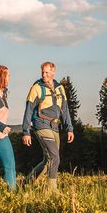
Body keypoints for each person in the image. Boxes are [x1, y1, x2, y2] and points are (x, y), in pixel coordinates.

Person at [22, 61, 74, 191]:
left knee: (48, 160)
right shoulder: (37, 87)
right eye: (42, 72)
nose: (44, 75)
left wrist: (70, 128)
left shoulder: (60, 88)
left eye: (47, 72)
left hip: (55, 126)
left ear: (53, 72)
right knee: (54, 157)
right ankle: (52, 191)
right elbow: (28, 110)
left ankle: (26, 184)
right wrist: (26, 131)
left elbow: (65, 110)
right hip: (41, 124)